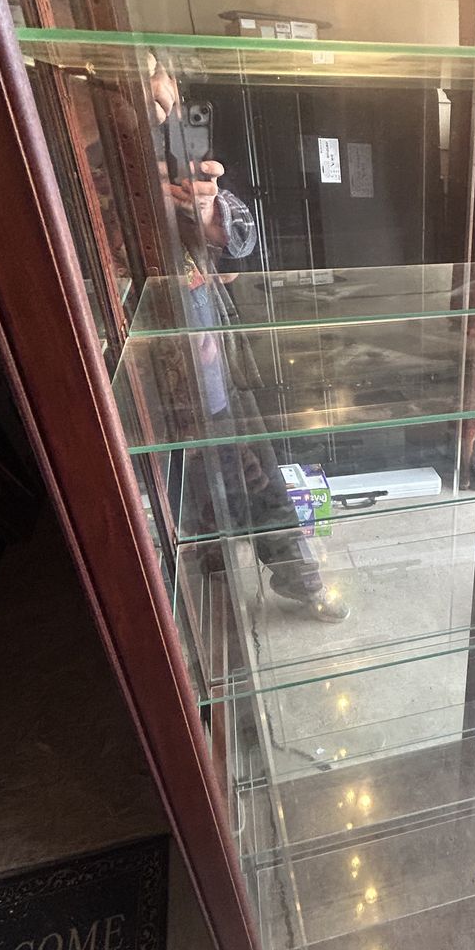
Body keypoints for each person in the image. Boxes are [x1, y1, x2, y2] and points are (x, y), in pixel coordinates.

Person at [149, 56, 348, 623]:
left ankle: (299, 579)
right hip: (148, 378)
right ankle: (198, 595)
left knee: (260, 480)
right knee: (178, 496)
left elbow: (240, 241)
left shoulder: (180, 158)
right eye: (145, 81)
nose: (159, 95)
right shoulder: (85, 168)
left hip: (214, 362)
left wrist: (206, 209)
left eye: (163, 82)